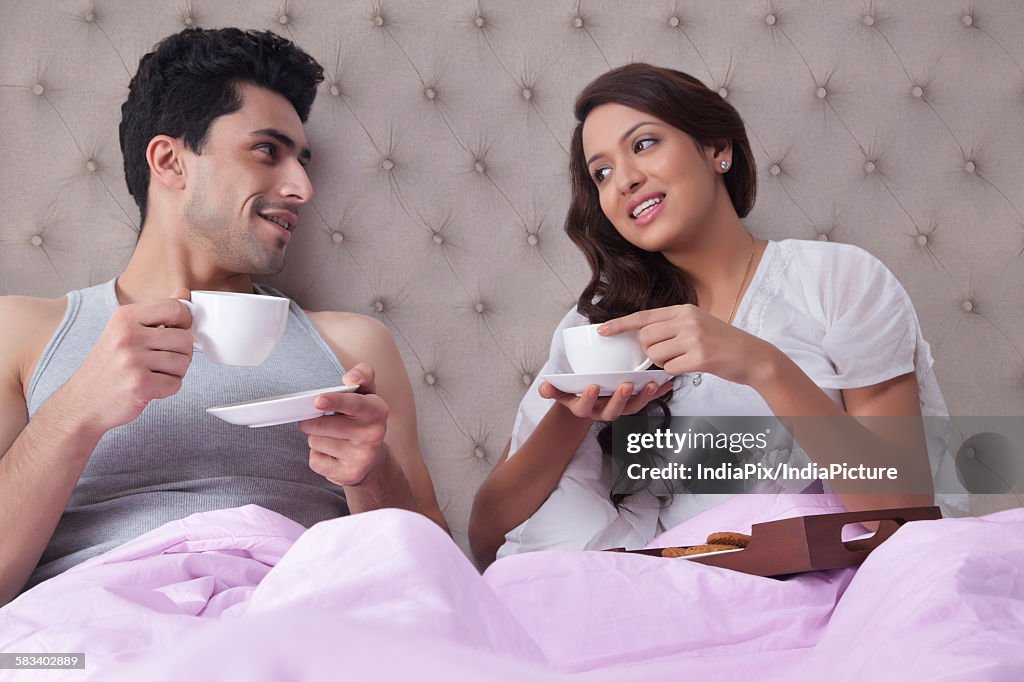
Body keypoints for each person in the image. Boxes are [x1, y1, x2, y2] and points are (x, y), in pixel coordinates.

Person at [0, 28, 447, 604]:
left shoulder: (354, 345)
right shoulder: (25, 332)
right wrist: (76, 411)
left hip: (303, 619)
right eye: (268, 151)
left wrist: (371, 475)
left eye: (303, 162)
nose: (303, 188)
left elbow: (440, 582)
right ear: (170, 160)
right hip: (100, 633)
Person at [469, 63, 945, 566]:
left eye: (644, 144)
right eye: (601, 173)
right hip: (670, 595)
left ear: (718, 148)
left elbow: (905, 514)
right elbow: (487, 537)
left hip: (826, 586)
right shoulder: (602, 323)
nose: (624, 180)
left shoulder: (840, 280)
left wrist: (763, 366)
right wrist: (573, 418)